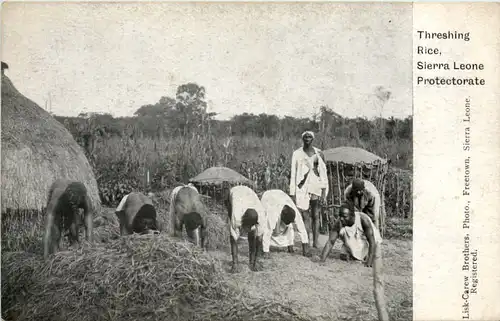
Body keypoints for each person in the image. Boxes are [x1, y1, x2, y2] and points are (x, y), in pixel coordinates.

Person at [289, 130, 329, 248]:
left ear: (313, 139)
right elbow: (293, 173)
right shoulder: (297, 154)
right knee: (305, 215)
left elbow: (323, 174)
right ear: (302, 139)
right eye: (305, 137)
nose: (307, 139)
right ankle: (306, 241)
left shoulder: (319, 153)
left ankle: (316, 242)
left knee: (316, 215)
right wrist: (293, 192)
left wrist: (324, 192)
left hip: (316, 186)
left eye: (309, 137)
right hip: (302, 188)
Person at [318, 202, 382, 267]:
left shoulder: (363, 219)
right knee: (344, 254)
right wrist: (322, 260)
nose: (341, 218)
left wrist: (369, 262)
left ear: (352, 215)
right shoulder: (339, 222)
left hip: (368, 243)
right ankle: (354, 254)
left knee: (369, 253)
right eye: (340, 216)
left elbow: (372, 241)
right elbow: (330, 242)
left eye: (345, 216)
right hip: (355, 241)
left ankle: (366, 255)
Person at [225, 185, 267, 273]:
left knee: (253, 235)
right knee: (233, 235)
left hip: (249, 194)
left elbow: (259, 240)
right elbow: (233, 238)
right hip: (234, 192)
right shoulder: (236, 215)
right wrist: (235, 264)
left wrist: (256, 261)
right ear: (242, 220)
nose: (247, 230)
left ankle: (252, 262)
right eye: (246, 227)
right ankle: (235, 263)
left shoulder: (261, 216)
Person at [260, 189, 310, 257]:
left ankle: (290, 246)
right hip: (268, 198)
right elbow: (268, 231)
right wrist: (266, 251)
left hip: (281, 196)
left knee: (290, 227)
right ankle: (261, 246)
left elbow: (302, 228)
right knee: (266, 225)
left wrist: (305, 247)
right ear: (281, 215)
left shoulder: (294, 212)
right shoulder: (273, 213)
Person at [169, 183, 207, 249]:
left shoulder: (201, 216)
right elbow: (177, 226)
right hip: (178, 194)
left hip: (192, 196)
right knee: (176, 226)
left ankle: (194, 244)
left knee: (193, 237)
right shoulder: (181, 213)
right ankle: (178, 247)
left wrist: (202, 247)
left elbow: (204, 229)